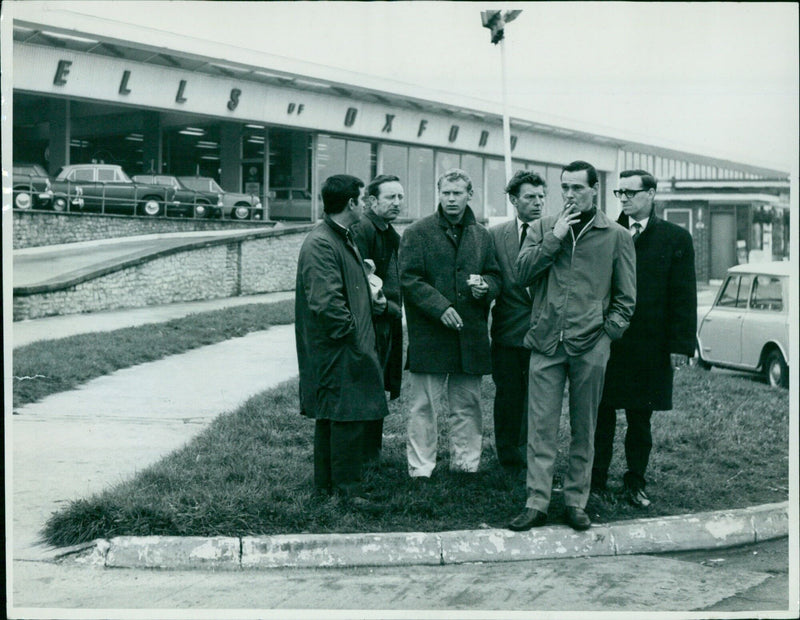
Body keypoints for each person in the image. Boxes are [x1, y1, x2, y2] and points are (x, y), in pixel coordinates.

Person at [510, 160, 636, 531]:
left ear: (594, 189)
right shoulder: (542, 227)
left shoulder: (615, 235)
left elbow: (626, 297)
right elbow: (521, 274)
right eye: (564, 187)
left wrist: (607, 334)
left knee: (586, 426)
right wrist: (555, 238)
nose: (569, 195)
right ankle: (536, 502)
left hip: (590, 344)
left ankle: (576, 501)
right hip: (547, 342)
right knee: (541, 427)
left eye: (577, 188)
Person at [592, 169, 697, 508]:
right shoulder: (604, 232)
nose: (623, 198)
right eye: (619, 192)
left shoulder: (675, 239)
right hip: (606, 340)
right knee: (600, 415)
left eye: (630, 192)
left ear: (651, 194)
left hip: (650, 345)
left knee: (640, 418)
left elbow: (683, 296)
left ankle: (635, 482)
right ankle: (595, 481)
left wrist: (680, 345)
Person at [400, 168, 502, 478]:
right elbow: (408, 278)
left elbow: (496, 276)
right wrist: (439, 306)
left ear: (470, 195)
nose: (451, 199)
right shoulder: (417, 232)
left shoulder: (482, 235)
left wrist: (486, 286)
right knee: (423, 407)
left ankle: (466, 464)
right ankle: (421, 468)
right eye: (446, 192)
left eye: (458, 193)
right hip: (429, 334)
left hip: (469, 335)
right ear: (439, 194)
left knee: (468, 404)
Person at [295, 174, 389, 504]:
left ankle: (327, 488)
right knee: (346, 416)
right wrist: (352, 337)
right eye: (363, 199)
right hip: (340, 348)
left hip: (342, 346)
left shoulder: (338, 237)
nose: (366, 205)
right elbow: (326, 303)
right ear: (350, 203)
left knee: (335, 416)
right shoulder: (322, 242)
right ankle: (348, 490)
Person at [488, 170, 547, 471]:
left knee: (538, 398)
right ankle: (508, 454)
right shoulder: (496, 236)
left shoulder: (555, 233)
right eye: (530, 197)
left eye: (541, 197)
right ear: (513, 200)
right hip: (508, 332)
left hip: (543, 331)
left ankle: (533, 453)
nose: (537, 203)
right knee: (508, 394)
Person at [351, 174, 405, 464]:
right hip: (372, 323)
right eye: (390, 197)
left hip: (386, 321)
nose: (397, 203)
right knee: (368, 388)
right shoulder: (364, 229)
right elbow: (362, 282)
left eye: (400, 197)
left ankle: (371, 454)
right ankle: (364, 457)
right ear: (372, 201)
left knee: (377, 387)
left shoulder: (386, 230)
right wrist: (384, 308)